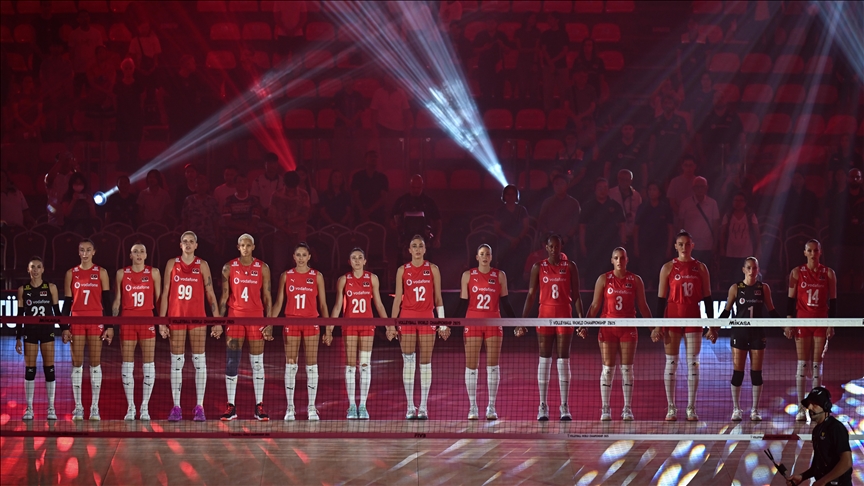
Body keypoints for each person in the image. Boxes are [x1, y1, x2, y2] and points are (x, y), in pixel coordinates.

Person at [518, 234, 585, 421]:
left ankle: (564, 406)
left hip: (564, 318)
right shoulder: (538, 267)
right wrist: (522, 321)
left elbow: (576, 295)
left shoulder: (570, 266)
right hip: (545, 318)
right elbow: (531, 295)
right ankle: (543, 405)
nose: (554, 249)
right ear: (546, 247)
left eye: (557, 246)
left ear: (561, 246)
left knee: (563, 360)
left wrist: (581, 321)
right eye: (551, 246)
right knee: (544, 359)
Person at [159, 231, 222, 422]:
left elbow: (210, 292)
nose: (188, 244)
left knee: (199, 362)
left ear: (196, 245)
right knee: (177, 363)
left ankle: (199, 406)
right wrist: (162, 321)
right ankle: (176, 406)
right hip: (176, 318)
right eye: (185, 241)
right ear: (180, 245)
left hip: (197, 319)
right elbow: (165, 292)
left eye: (191, 241)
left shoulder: (202, 265)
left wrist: (217, 320)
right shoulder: (172, 263)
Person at [653, 229, 715, 422]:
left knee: (693, 363)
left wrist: (711, 325)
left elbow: (708, 298)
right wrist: (658, 325)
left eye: (687, 244)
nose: (684, 247)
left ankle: (691, 407)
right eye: (680, 244)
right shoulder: (668, 268)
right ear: (675, 246)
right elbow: (660, 299)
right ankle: (671, 407)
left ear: (692, 246)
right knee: (671, 363)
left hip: (693, 317)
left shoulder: (701, 268)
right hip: (672, 317)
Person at [585, 248, 652, 421]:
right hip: (608, 329)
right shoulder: (604, 279)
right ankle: (605, 408)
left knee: (627, 369)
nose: (619, 261)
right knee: (608, 369)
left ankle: (627, 408)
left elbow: (643, 306)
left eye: (622, 258)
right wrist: (585, 325)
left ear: (627, 260)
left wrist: (653, 328)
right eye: (616, 258)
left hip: (628, 329)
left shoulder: (635, 280)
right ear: (612, 260)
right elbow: (595, 305)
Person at [457, 244, 517, 420]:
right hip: (473, 322)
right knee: (471, 365)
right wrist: (449, 324)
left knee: (493, 365)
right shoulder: (468, 275)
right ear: (477, 257)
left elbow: (505, 302)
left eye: (488, 254)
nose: (485, 257)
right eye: (482, 254)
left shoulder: (500, 275)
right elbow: (462, 304)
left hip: (493, 323)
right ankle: (473, 407)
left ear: (491, 257)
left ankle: (491, 406)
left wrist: (517, 322)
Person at [391, 236, 448, 420]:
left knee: (425, 363)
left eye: (420, 246)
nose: (417, 249)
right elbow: (397, 299)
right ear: (409, 250)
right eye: (414, 246)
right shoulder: (402, 270)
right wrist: (392, 324)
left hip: (427, 319)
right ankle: (410, 406)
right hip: (407, 318)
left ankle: (423, 406)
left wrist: (442, 322)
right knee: (408, 362)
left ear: (425, 249)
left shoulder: (433, 269)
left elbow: (438, 298)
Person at [271, 242, 329, 421]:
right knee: (291, 365)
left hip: (311, 323)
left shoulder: (317, 276)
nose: (301, 258)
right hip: (291, 322)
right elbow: (279, 302)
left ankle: (312, 407)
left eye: (304, 255)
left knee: (311, 365)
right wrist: (269, 323)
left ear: (309, 257)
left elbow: (323, 304)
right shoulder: (286, 275)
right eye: (298, 255)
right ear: (294, 257)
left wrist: (328, 328)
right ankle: (290, 408)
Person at [219, 234, 273, 421]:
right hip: (234, 320)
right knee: (232, 361)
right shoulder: (228, 267)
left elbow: (267, 297)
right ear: (238, 247)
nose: (245, 248)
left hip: (256, 319)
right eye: (242, 245)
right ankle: (231, 406)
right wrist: (219, 321)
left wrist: (270, 323)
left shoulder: (263, 268)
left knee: (257, 363)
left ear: (253, 247)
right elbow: (224, 297)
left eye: (248, 245)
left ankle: (259, 406)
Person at [330, 248, 389, 420]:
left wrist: (389, 325)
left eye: (360, 257)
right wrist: (329, 328)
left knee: (364, 364)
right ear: (349, 262)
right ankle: (351, 405)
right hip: (349, 326)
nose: (357, 260)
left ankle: (362, 405)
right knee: (350, 365)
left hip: (367, 326)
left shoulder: (372, 278)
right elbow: (338, 305)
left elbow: (378, 304)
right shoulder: (343, 280)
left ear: (365, 261)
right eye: (354, 258)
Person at [718, 257, 779, 422]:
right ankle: (736, 409)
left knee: (756, 373)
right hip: (739, 333)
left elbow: (772, 310)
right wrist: (714, 328)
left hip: (757, 334)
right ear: (743, 270)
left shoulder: (763, 288)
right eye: (749, 268)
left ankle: (755, 410)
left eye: (755, 268)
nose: (752, 271)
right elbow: (726, 311)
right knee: (738, 372)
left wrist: (785, 327)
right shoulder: (736, 288)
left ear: (758, 270)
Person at [785, 240, 837, 422]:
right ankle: (801, 408)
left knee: (817, 366)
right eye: (809, 251)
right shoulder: (796, 272)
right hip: (802, 321)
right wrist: (789, 322)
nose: (813, 254)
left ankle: (815, 408)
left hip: (821, 321)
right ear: (805, 253)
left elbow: (834, 301)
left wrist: (832, 324)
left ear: (820, 252)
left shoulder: (828, 273)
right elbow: (790, 299)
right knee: (802, 364)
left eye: (816, 250)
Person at [64, 239, 112, 421]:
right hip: (76, 320)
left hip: (96, 319)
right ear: (78, 252)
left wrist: (109, 326)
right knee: (77, 364)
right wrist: (64, 327)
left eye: (88, 250)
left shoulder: (101, 272)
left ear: (94, 252)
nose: (85, 253)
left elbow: (107, 301)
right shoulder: (71, 273)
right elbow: (67, 302)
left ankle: (94, 408)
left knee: (95, 363)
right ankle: (78, 407)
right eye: (82, 250)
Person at [112, 243, 161, 421]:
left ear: (146, 255)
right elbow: (117, 301)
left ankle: (144, 407)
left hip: (147, 320)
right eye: (135, 252)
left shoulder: (154, 272)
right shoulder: (121, 273)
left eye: (142, 251)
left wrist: (162, 323)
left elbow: (159, 299)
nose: (139, 254)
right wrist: (111, 324)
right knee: (127, 365)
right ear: (130, 255)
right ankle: (131, 406)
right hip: (127, 321)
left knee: (148, 364)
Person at [16, 257, 65, 421]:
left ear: (43, 269)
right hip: (30, 332)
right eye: (33, 267)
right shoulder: (23, 290)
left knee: (49, 368)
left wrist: (64, 329)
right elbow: (20, 316)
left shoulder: (51, 287)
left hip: (47, 331)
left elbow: (57, 312)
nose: (35, 270)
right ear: (28, 270)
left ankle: (51, 407)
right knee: (30, 369)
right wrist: (18, 338)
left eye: (38, 267)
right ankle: (29, 408)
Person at [786, 387, 853, 486]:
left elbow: (846, 462)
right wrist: (802, 476)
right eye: (809, 404)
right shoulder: (817, 430)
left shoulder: (836, 428)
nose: (810, 407)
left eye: (814, 404)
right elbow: (818, 464)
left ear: (826, 406)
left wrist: (823, 481)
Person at [633, 182, 675, 282]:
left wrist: (669, 247)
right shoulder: (642, 207)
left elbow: (670, 229)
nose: (651, 192)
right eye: (650, 189)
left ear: (659, 192)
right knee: (644, 270)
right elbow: (636, 228)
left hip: (660, 245)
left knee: (658, 270)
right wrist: (636, 246)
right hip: (644, 244)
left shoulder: (665, 208)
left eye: (654, 189)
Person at [719, 192, 761, 288]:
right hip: (731, 251)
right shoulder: (728, 215)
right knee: (732, 276)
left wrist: (759, 249)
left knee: (746, 277)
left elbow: (757, 233)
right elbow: (723, 233)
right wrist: (722, 248)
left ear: (745, 203)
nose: (738, 203)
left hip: (746, 251)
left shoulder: (750, 215)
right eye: (736, 200)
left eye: (741, 200)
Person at [391, 175, 443, 251]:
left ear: (422, 186)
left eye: (418, 187)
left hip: (425, 240)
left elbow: (438, 221)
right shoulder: (401, 201)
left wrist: (437, 238)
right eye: (413, 187)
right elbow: (392, 219)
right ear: (409, 186)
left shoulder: (429, 202)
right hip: (405, 240)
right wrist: (396, 226)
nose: (416, 190)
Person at [676, 176, 719, 267]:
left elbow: (715, 225)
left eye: (702, 186)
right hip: (689, 245)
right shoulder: (685, 203)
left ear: (706, 188)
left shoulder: (712, 203)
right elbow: (680, 224)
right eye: (697, 187)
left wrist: (715, 243)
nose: (700, 189)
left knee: (705, 270)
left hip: (707, 245)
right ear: (693, 188)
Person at [493, 184, 531, 289]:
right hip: (504, 242)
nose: (510, 197)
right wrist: (510, 239)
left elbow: (526, 227)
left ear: (516, 196)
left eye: (512, 194)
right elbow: (497, 228)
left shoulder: (522, 210)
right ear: (504, 196)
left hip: (520, 241)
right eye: (508, 194)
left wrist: (517, 239)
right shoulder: (500, 211)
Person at [181, 174, 221, 266]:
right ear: (194, 185)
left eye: (203, 183)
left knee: (207, 266)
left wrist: (217, 241)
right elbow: (184, 220)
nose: (201, 186)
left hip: (209, 239)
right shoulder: (189, 200)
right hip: (192, 240)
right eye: (198, 184)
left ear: (207, 185)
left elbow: (216, 222)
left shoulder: (212, 201)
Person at [537, 175, 581, 258]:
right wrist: (550, 236)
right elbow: (541, 222)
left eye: (562, 183)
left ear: (567, 185)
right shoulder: (547, 202)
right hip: (549, 240)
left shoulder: (573, 203)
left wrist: (565, 238)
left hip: (568, 241)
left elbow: (575, 224)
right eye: (556, 184)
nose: (559, 186)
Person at [113, 58, 145, 170]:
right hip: (122, 117)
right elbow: (115, 101)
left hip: (135, 117)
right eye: (126, 68)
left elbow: (142, 100)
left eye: (130, 68)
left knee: (134, 142)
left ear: (133, 69)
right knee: (122, 142)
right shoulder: (117, 85)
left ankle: (133, 163)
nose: (128, 71)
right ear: (122, 69)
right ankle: (123, 164)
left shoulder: (138, 85)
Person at [351, 151, 389, 224]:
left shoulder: (382, 177)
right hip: (360, 216)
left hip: (377, 216)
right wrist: (362, 212)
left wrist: (369, 211)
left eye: (376, 157)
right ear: (365, 159)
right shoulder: (357, 176)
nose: (374, 158)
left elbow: (383, 198)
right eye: (371, 156)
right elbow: (355, 196)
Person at [61, 172, 97, 236]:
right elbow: (66, 214)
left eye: (80, 183)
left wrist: (90, 203)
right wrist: (73, 201)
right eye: (76, 183)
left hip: (86, 227)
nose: (78, 185)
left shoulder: (88, 195)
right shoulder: (67, 196)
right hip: (71, 226)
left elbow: (93, 216)